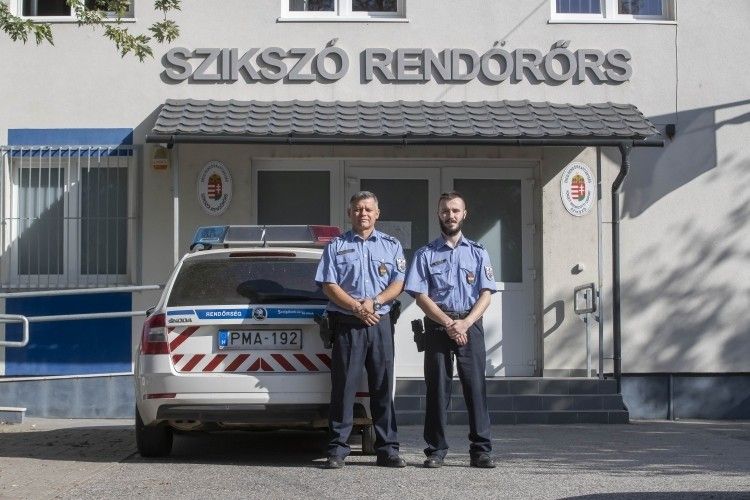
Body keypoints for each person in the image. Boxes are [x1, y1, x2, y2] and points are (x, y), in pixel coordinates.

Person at [404, 191, 497, 469]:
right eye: (445, 211)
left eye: (455, 210)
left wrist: (465, 323)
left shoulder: (478, 252)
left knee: (476, 388)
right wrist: (448, 323)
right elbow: (420, 296)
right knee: (437, 390)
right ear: (439, 214)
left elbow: (486, 293)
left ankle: (481, 451)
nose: (450, 215)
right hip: (437, 327)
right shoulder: (425, 254)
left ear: (464, 214)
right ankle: (435, 450)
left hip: (471, 324)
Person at [315, 191, 407, 469]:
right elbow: (328, 284)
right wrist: (356, 307)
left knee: (382, 387)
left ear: (377, 213)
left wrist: (374, 303)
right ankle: (337, 450)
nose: (363, 213)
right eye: (357, 209)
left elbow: (398, 282)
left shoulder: (391, 245)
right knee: (344, 389)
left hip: (379, 323)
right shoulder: (336, 246)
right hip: (347, 324)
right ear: (349, 213)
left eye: (368, 209)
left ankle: (388, 449)